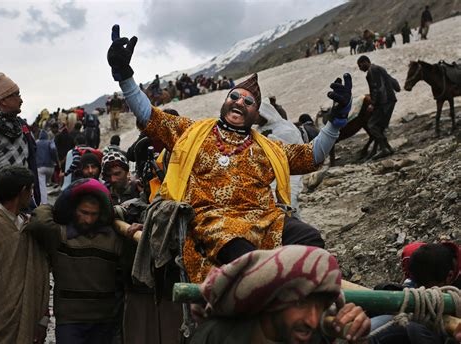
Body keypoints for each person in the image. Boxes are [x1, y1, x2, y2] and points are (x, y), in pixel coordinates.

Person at [107, 24, 353, 284]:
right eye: (234, 96)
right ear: (225, 101)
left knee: (309, 239)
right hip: (215, 223)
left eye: (248, 102)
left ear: (255, 113)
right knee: (247, 258)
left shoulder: (268, 147)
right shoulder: (192, 131)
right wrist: (125, 76)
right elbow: (150, 116)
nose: (239, 102)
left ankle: (314, 305)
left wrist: (334, 124)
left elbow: (311, 156)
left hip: (265, 219)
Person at [190, 245, 371, 343]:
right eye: (301, 304)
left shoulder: (315, 334)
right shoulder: (217, 336)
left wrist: (356, 340)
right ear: (273, 301)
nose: (313, 321)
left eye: (320, 306)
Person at [26, 178, 128, 344]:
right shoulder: (60, 234)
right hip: (70, 320)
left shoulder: (112, 239)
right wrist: (58, 206)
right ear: (73, 211)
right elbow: (39, 220)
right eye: (84, 213)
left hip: (103, 320)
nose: (88, 220)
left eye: (93, 214)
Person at [0, 166, 49, 344]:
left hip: (26, 318)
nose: (32, 195)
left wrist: (43, 319)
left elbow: (41, 270)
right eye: (30, 189)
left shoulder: (30, 227)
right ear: (23, 191)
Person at [0, 72, 41, 206]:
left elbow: (31, 161)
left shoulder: (21, 125)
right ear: (3, 99)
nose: (21, 100)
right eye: (16, 95)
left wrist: (35, 195)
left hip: (23, 198)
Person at [256, 98, 305, 217]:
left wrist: (269, 139)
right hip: (268, 178)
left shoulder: (285, 129)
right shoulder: (258, 130)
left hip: (289, 175)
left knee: (289, 207)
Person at [357, 55, 400, 160]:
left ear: (365, 62)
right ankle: (388, 148)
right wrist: (396, 89)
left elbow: (377, 88)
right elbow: (391, 80)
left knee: (371, 125)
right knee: (380, 126)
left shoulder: (372, 71)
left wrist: (373, 104)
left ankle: (384, 149)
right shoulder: (379, 68)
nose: (360, 68)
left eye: (360, 65)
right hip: (390, 99)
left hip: (384, 102)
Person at [36, 129, 60, 204]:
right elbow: (53, 149)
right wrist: (56, 161)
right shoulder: (50, 142)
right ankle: (45, 199)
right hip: (50, 167)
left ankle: (44, 203)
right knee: (44, 184)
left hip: (40, 167)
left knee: (42, 186)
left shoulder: (36, 143)